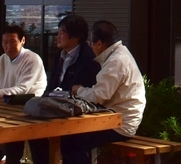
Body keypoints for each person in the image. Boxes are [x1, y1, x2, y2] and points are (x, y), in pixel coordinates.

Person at [59, 21, 148, 164]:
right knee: (71, 139)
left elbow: (98, 96)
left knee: (69, 142)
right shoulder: (120, 53)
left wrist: (78, 90)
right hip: (117, 118)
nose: (90, 46)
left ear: (99, 44)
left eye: (90, 42)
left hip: (120, 125)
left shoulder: (115, 61)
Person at [30, 14, 101, 164]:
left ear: (75, 36)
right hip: (58, 105)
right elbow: (52, 84)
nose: (58, 36)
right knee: (33, 132)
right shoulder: (60, 55)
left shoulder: (88, 58)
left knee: (69, 143)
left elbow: (76, 90)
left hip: (77, 110)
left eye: (62, 32)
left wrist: (54, 95)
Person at [0, 25, 47, 164]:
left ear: (23, 40)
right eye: (5, 42)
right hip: (7, 107)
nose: (8, 46)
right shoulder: (2, 59)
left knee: (39, 152)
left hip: (30, 109)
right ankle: (1, 158)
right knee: (8, 148)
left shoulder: (32, 59)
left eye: (13, 41)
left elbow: (23, 89)